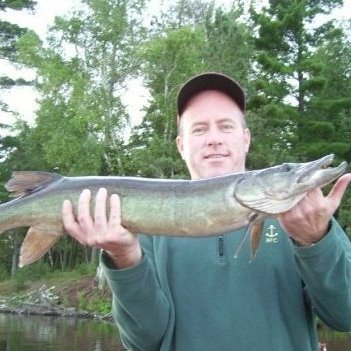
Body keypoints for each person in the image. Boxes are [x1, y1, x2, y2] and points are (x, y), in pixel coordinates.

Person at [62, 72, 351, 351]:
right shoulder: (147, 231)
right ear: (181, 146)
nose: (214, 138)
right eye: (199, 129)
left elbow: (345, 315)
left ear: (246, 139)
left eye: (226, 126)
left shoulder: (306, 217)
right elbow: (143, 342)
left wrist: (315, 242)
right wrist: (124, 258)